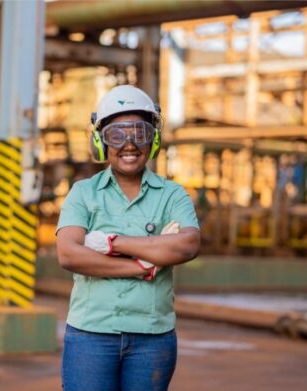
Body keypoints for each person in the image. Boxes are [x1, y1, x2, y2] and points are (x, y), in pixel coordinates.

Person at [55, 85, 201, 391]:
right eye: (117, 135)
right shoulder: (83, 193)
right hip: (90, 336)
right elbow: (68, 254)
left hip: (153, 339)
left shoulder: (172, 195)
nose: (129, 144)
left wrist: (112, 243)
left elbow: (187, 244)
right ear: (101, 141)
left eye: (140, 133)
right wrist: (142, 265)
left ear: (154, 139)